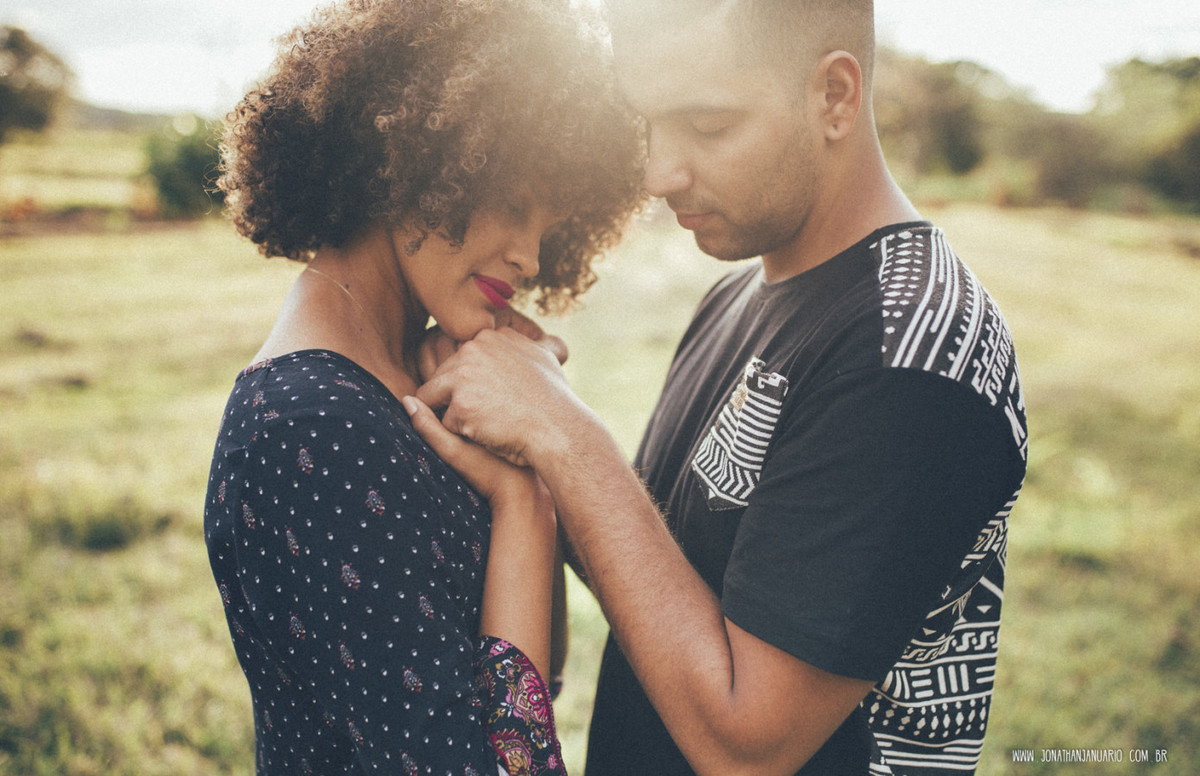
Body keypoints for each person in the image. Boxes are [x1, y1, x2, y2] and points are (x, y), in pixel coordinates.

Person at [407, 0, 1030, 773]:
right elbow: (667, 599)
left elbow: (747, 746)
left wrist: (566, 434)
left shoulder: (907, 356)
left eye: (706, 126)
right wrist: (531, 453)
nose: (657, 174)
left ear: (834, 96)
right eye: (649, 124)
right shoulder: (740, 293)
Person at [201, 1, 643, 774]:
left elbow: (542, 680)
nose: (531, 256)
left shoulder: (417, 378)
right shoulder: (313, 432)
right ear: (406, 155)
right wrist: (522, 505)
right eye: (512, 203)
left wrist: (530, 450)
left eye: (548, 225)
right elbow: (514, 761)